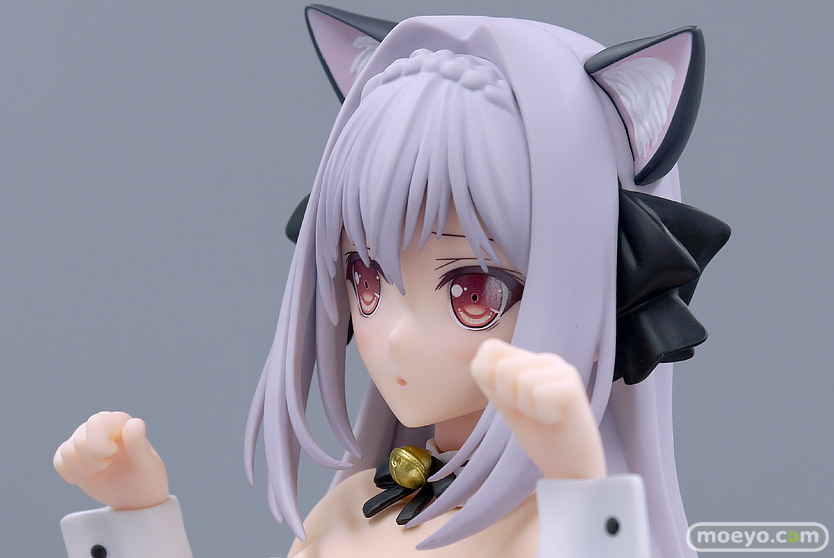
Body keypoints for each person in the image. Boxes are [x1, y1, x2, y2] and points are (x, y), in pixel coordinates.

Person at [53, 6, 729, 557]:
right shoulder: (347, 516)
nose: (396, 336)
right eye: (366, 279)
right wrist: (136, 517)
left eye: (471, 293)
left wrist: (581, 488)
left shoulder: (553, 533)